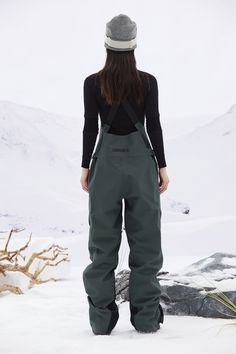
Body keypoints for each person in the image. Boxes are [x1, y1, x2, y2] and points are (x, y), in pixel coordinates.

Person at [81, 14, 170, 335]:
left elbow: (90, 125)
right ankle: (146, 319)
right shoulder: (148, 82)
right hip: (141, 169)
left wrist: (85, 167)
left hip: (104, 167)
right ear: (133, 45)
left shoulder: (93, 82)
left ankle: (101, 322)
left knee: (102, 244)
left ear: (107, 44)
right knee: (146, 242)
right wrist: (161, 166)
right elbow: (154, 124)